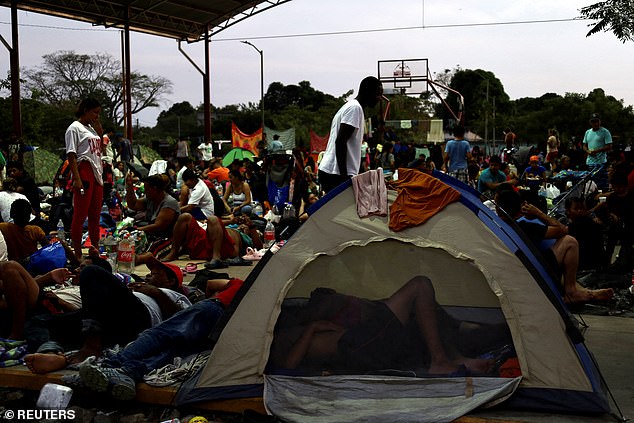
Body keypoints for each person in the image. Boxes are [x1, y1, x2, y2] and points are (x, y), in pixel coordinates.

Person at [23, 278, 244, 400]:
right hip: (225, 330)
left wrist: (158, 292)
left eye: (157, 273)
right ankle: (127, 373)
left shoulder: (181, 297)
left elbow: (212, 285)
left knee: (159, 335)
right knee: (171, 350)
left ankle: (107, 364)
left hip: (216, 309)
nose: (149, 276)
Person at [276, 276, 496, 376]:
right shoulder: (274, 340)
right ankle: (440, 361)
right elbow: (289, 366)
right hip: (357, 347)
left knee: (418, 312)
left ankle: (454, 357)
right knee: (420, 286)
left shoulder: (286, 324)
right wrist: (312, 328)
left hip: (359, 342)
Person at [495, 189, 613, 305]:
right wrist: (538, 213)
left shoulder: (494, 225)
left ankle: (585, 292)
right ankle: (572, 292)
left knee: (560, 270)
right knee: (570, 242)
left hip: (513, 270)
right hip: (531, 270)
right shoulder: (524, 226)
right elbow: (563, 230)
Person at [318, 76, 383, 193]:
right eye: (378, 94)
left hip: (334, 172)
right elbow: (341, 141)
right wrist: (344, 179)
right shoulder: (354, 108)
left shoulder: (352, 107)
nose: (379, 98)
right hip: (336, 173)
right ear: (368, 92)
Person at [65, 98, 105, 260]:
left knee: (95, 215)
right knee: (80, 215)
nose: (97, 116)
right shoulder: (74, 128)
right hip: (84, 169)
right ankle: (77, 253)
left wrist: (97, 126)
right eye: (95, 112)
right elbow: (72, 155)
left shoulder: (91, 129)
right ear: (85, 110)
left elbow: (101, 145)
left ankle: (94, 249)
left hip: (97, 172)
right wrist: (77, 178)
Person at [125, 173, 179, 241]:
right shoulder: (150, 199)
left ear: (154, 189)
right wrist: (129, 186)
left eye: (146, 189)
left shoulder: (170, 202)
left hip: (168, 239)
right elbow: (133, 204)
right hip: (155, 237)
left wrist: (136, 230)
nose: (145, 191)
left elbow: (158, 226)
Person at [583, 113, 612, 190]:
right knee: (591, 185)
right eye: (593, 121)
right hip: (590, 162)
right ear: (590, 122)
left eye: (596, 121)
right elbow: (584, 145)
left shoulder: (605, 132)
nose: (595, 123)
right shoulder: (587, 132)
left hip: (601, 163)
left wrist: (597, 151)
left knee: (602, 185)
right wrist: (588, 151)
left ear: (600, 121)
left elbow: (609, 146)